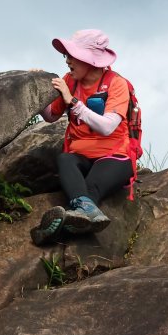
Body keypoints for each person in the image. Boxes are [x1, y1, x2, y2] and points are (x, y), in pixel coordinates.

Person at [31, 29, 133, 246]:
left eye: (72, 56)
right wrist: (37, 90)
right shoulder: (70, 80)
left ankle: (55, 228)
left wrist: (74, 103)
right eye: (66, 56)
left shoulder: (117, 84)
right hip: (80, 155)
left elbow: (107, 127)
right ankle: (83, 214)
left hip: (114, 157)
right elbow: (50, 115)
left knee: (91, 189)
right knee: (65, 159)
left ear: (90, 60)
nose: (67, 61)